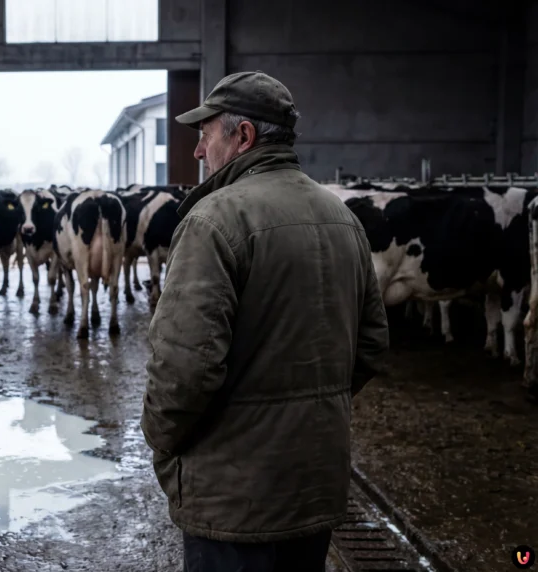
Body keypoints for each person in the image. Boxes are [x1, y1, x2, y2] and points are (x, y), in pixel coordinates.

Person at [141, 70, 390, 571]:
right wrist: (310, 418)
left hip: (236, 501)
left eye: (204, 134)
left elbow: (183, 371)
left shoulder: (213, 220)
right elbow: (370, 347)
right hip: (313, 489)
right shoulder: (343, 219)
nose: (196, 151)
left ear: (243, 137)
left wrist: (163, 444)